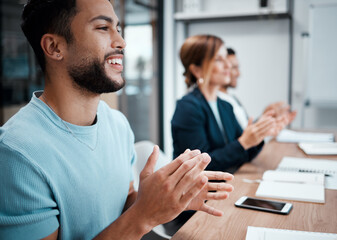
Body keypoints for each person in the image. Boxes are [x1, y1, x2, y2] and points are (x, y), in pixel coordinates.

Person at [0, 1, 235, 239]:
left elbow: (124, 207)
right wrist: (143, 214)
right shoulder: (16, 153)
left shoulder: (117, 123)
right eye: (103, 27)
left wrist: (169, 200)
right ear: (54, 47)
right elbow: (136, 218)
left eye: (118, 29)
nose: (121, 42)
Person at [171, 35, 277, 174]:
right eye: (218, 59)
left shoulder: (225, 106)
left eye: (226, 57)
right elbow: (200, 167)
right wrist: (244, 142)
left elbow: (242, 154)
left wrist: (259, 135)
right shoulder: (188, 108)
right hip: (199, 192)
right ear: (197, 70)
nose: (228, 65)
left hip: (226, 183)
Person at [218, 48, 296, 131]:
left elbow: (246, 130)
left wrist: (266, 117)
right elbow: (240, 138)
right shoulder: (218, 102)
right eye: (234, 68)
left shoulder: (232, 98)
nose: (238, 74)